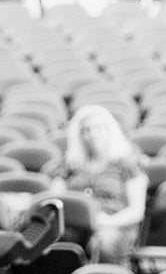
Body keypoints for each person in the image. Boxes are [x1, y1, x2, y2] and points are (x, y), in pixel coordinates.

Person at [59, 106, 147, 260]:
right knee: (57, 242)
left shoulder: (127, 164)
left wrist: (107, 221)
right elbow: (55, 197)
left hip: (114, 224)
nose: (92, 134)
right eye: (86, 130)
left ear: (110, 131)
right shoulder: (70, 165)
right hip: (75, 224)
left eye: (98, 128)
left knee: (102, 243)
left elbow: (136, 210)